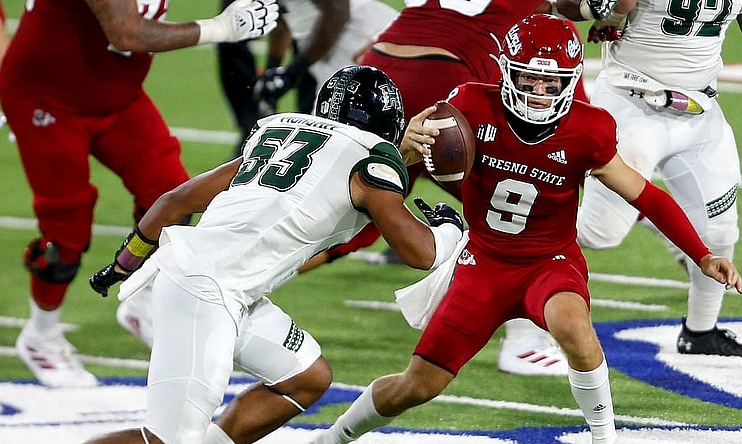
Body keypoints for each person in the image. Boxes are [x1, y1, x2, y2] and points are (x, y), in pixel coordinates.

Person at [310, 14, 742, 444]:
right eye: (528, 79)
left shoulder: (588, 128)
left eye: (550, 83)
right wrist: (407, 145)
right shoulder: (468, 106)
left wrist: (702, 253)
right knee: (417, 385)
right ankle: (331, 439)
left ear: (570, 82)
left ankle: (605, 438)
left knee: (573, 327)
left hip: (549, 263)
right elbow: (394, 166)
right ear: (505, 72)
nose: (539, 93)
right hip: (482, 264)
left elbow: (646, 195)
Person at [83, 65, 464, 444]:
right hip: (206, 290)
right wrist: (451, 228)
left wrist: (123, 264)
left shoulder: (280, 134)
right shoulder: (371, 162)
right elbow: (421, 252)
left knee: (305, 378)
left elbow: (174, 201)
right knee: (169, 440)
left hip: (218, 283)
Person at [0, 0, 279, 388]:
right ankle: (40, 337)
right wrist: (222, 28)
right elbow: (126, 32)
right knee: (65, 234)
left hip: (117, 94)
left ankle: (143, 303)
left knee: (173, 197)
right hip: (48, 99)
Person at [558, 0, 742, 356]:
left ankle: (700, 332)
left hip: (699, 111)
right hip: (630, 108)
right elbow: (567, 6)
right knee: (599, 233)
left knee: (720, 231)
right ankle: (496, 264)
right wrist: (596, 8)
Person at [220, 0, 398, 158]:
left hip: (355, 41)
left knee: (343, 143)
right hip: (333, 52)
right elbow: (281, 18)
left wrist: (292, 74)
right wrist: (272, 70)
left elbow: (337, 13)